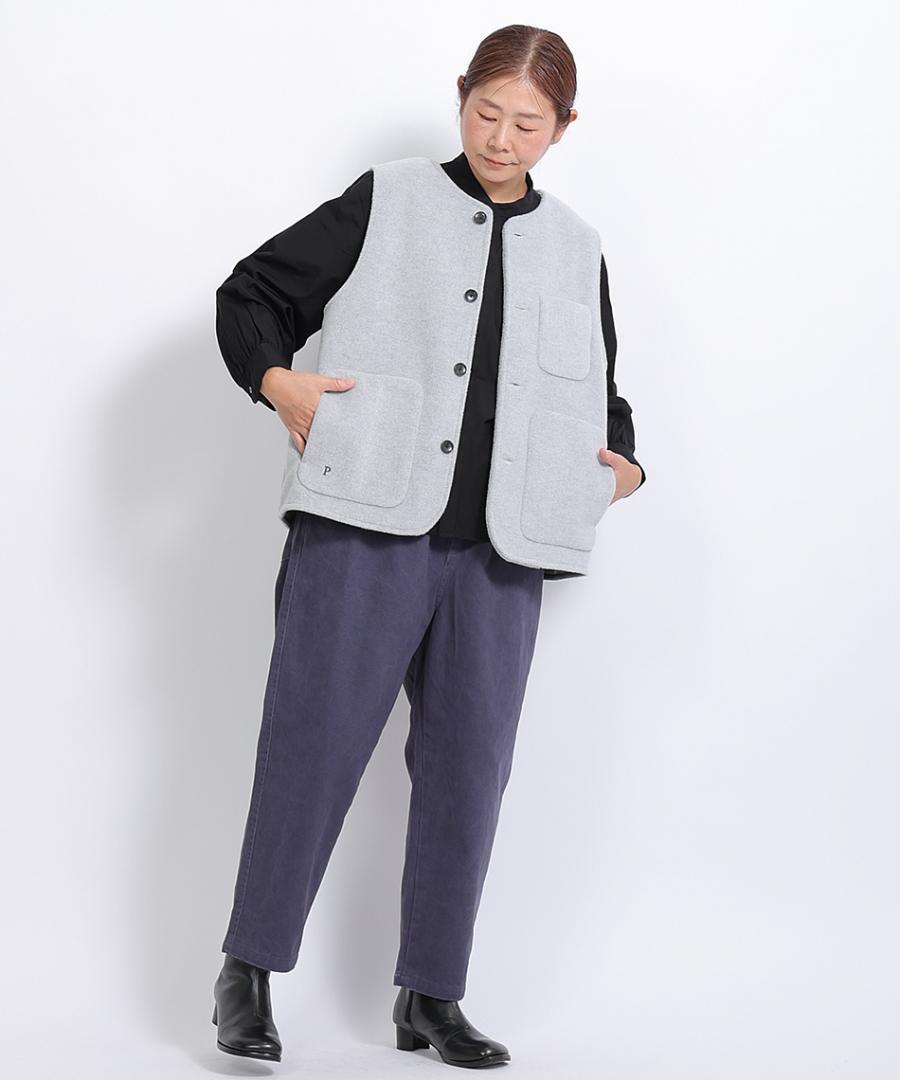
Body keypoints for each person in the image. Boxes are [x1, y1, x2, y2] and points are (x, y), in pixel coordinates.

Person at [211, 23, 646, 1068]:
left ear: (564, 128)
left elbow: (601, 394)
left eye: (527, 124)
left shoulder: (578, 244)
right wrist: (278, 383)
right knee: (312, 747)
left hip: (499, 557)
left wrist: (623, 467)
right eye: (486, 112)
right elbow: (252, 293)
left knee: (469, 772)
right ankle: (246, 975)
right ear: (460, 98)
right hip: (362, 524)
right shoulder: (389, 198)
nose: (500, 139)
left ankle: (431, 997)